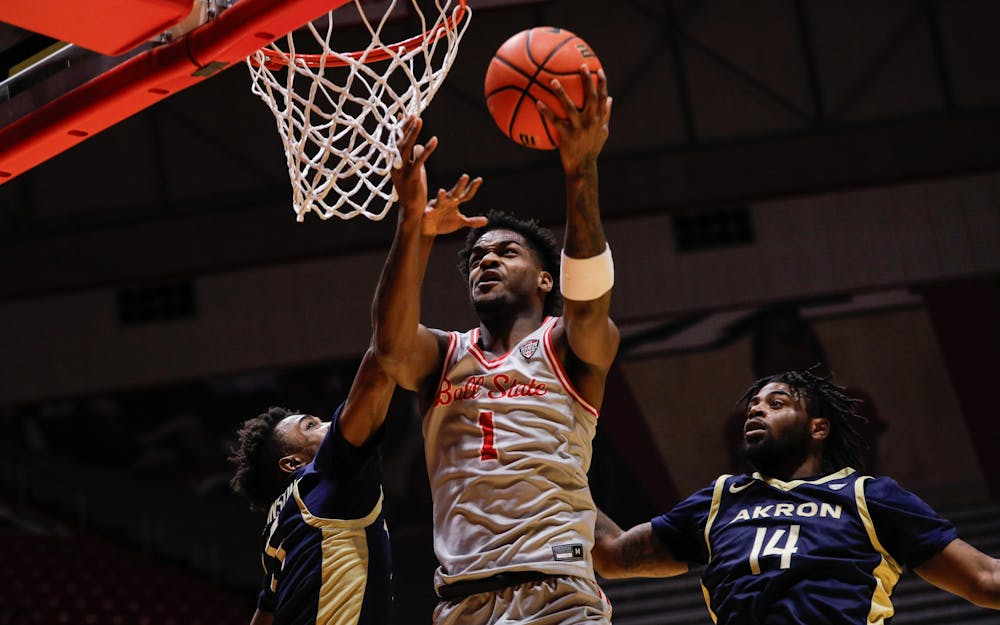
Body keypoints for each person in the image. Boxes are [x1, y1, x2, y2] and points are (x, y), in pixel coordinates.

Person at [372, 65, 618, 624]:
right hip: (463, 602)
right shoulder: (443, 356)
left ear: (545, 279)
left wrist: (581, 171)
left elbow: (590, 299)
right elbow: (388, 346)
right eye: (479, 255)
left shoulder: (568, 345)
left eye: (507, 252)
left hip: (557, 590)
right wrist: (412, 220)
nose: (487, 258)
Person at [593, 369, 1000, 624]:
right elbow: (612, 555)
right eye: (753, 406)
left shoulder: (867, 495)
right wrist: (557, 474)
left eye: (776, 403)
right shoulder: (720, 499)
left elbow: (985, 579)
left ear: (817, 429)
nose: (756, 411)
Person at [228, 347, 396, 625]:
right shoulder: (325, 478)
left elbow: (265, 613)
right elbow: (372, 378)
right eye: (310, 426)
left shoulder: (279, 523)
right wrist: (394, 338)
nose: (328, 425)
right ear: (293, 463)